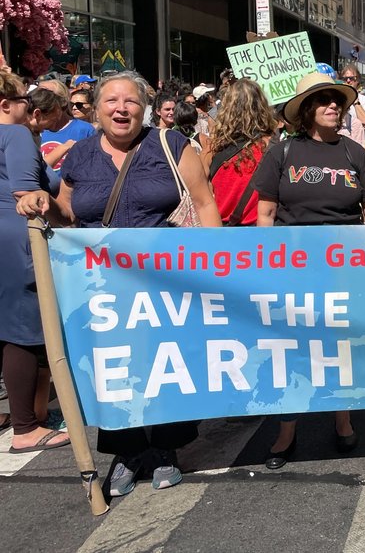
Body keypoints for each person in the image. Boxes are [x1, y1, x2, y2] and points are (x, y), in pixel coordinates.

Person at [55, 70, 222, 496]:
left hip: (167, 281)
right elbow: (66, 215)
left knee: (169, 360)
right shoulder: (80, 156)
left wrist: (219, 265)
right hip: (100, 286)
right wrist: (43, 205)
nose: (120, 108)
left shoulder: (171, 145)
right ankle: (127, 451)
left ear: (144, 108)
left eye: (129, 101)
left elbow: (204, 203)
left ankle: (166, 448)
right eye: (110, 101)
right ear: (96, 111)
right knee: (115, 366)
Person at [254, 72, 365, 469]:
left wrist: (364, 257)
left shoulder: (353, 153)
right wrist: (268, 263)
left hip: (342, 270)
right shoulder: (283, 152)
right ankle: (287, 430)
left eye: (337, 101)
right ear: (307, 110)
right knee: (292, 349)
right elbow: (266, 212)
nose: (334, 106)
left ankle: (342, 419)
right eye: (324, 100)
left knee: (339, 347)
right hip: (292, 269)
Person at [1, 72, 72, 454]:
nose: (31, 109)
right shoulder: (13, 135)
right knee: (22, 332)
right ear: (5, 104)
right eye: (24, 102)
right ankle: (26, 427)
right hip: (14, 240)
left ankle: (9, 414)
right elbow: (27, 190)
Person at [204, 78, 278, 226]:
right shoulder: (273, 146)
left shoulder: (211, 149)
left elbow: (204, 199)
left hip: (221, 232)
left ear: (226, 108)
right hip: (260, 230)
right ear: (262, 107)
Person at [31, 86, 96, 172]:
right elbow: (33, 170)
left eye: (79, 105)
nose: (74, 108)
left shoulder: (86, 129)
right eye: (71, 104)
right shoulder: (23, 134)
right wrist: (64, 148)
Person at [340, 63, 365, 135]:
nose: (348, 81)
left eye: (352, 78)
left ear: (358, 80)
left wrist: (355, 100)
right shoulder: (336, 99)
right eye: (345, 79)